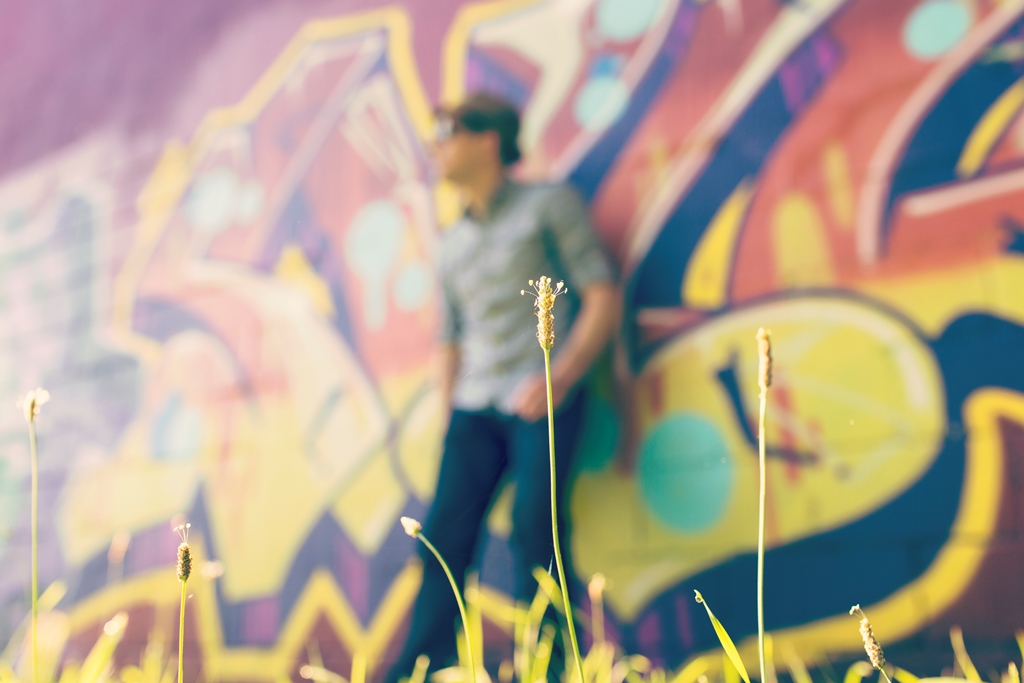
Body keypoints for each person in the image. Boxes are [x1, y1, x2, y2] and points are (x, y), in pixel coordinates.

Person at [386, 92, 619, 682]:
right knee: (441, 540)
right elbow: (450, 338)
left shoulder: (548, 205)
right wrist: (448, 415)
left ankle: (553, 667)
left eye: (447, 129)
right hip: (472, 408)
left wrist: (560, 376)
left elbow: (600, 295)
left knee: (535, 532)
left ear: (489, 140)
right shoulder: (451, 241)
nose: (435, 144)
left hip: (543, 398)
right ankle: (420, 670)